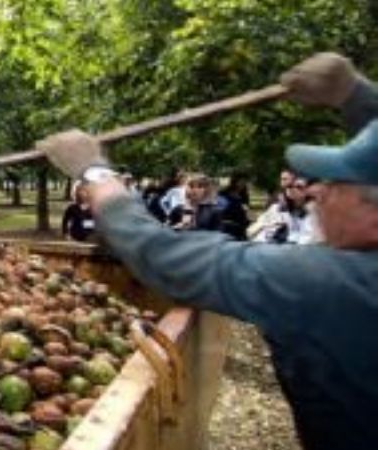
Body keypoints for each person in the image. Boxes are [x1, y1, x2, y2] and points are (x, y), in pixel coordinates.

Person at [36, 53, 378, 450]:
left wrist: (93, 172)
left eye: (336, 183)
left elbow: (163, 254)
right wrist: (354, 94)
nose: (317, 191)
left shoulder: (327, 285)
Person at [248, 177, 321, 244]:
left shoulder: (314, 212)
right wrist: (269, 230)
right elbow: (251, 231)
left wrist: (288, 237)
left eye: (299, 187)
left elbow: (312, 239)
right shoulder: (276, 209)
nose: (293, 189)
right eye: (290, 186)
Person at [217, 172, 251, 240]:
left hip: (241, 223)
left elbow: (246, 208)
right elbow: (220, 209)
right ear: (235, 181)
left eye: (244, 181)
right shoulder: (224, 193)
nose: (243, 184)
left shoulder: (244, 195)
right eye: (241, 181)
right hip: (228, 223)